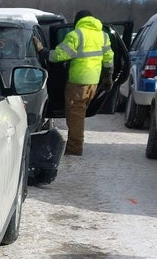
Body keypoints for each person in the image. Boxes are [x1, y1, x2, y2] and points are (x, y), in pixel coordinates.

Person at [38, 10, 113, 156]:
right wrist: (108, 76)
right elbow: (109, 58)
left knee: (75, 117)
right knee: (77, 115)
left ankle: (74, 150)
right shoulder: (103, 35)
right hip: (93, 83)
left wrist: (43, 52)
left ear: (78, 20)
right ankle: (74, 145)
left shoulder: (76, 34)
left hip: (78, 83)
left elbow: (60, 55)